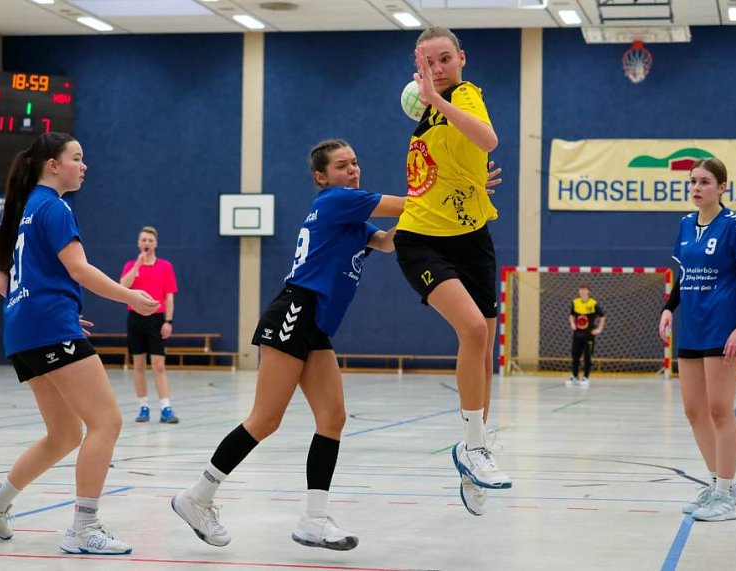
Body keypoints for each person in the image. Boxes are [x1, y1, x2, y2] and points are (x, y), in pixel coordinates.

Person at [171, 139, 404, 550]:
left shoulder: (351, 216)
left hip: (315, 324)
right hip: (294, 312)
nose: (352, 170)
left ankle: (314, 519)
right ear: (321, 176)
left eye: (355, 163)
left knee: (333, 417)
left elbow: (386, 241)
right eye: (342, 165)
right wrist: (443, 187)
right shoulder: (336, 201)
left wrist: (425, 217)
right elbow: (401, 205)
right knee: (265, 419)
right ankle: (197, 496)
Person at [0, 132, 160, 554]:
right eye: (77, 158)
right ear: (52, 165)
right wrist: (131, 297)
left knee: (63, 433)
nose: (84, 165)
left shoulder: (23, 212)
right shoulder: (54, 207)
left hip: (23, 331)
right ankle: (82, 528)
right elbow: (79, 269)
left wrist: (46, 308)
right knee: (106, 422)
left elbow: (4, 282)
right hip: (49, 328)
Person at [392, 26, 509, 518]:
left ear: (460, 58)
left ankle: (473, 449)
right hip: (422, 241)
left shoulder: (464, 96)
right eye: (427, 64)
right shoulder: (425, 119)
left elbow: (488, 138)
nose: (438, 70)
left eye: (444, 59)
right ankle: (472, 449)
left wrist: (476, 181)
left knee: (483, 352)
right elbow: (433, 181)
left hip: (472, 239)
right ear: (418, 70)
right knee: (473, 328)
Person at [658, 157, 736, 522]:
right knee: (693, 410)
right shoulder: (685, 225)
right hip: (693, 329)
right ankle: (716, 485)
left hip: (723, 329)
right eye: (693, 182)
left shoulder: (735, 225)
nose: (696, 188)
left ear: (722, 187)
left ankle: (727, 494)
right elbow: (684, 275)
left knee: (719, 410)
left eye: (704, 182)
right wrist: (669, 307)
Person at [120, 226, 179, 424]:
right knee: (138, 365)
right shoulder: (131, 265)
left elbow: (169, 296)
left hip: (156, 319)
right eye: (143, 240)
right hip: (135, 319)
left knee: (158, 365)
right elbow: (123, 287)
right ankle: (143, 406)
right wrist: (137, 265)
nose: (146, 243)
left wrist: (168, 321)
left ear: (156, 243)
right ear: (138, 243)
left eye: (150, 240)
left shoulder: (165, 266)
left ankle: (166, 407)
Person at [566, 284, 605, 387]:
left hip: (589, 335)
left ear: (588, 292)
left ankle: (586, 378)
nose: (583, 292)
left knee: (587, 356)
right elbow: (571, 315)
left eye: (585, 290)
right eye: (581, 290)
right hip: (577, 334)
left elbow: (602, 316)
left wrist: (599, 329)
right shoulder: (575, 302)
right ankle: (574, 376)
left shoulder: (593, 303)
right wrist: (572, 324)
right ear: (579, 292)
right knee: (575, 356)